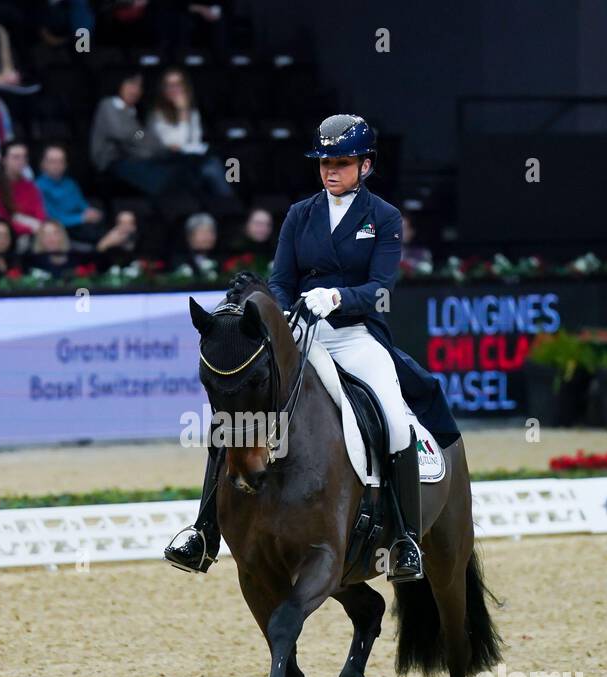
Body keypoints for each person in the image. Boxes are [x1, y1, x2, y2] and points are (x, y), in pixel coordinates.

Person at [165, 114, 461, 580]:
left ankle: (404, 538)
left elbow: (382, 286)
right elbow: (281, 279)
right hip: (303, 334)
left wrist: (339, 296)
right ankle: (204, 530)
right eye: (324, 162)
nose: (330, 171)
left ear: (365, 165)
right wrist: (283, 312)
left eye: (341, 162)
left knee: (395, 417)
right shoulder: (300, 213)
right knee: (239, 412)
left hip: (356, 335)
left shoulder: (383, 217)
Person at [89, 71, 189, 199]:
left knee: (181, 165)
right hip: (113, 161)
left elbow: (146, 138)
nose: (135, 90)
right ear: (120, 85)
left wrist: (143, 138)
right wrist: (140, 135)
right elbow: (122, 133)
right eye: (131, 84)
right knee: (159, 180)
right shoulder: (108, 105)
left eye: (139, 86)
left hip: (137, 157)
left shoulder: (133, 111)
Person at [147, 67, 234, 203]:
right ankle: (229, 203)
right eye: (169, 85)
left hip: (190, 160)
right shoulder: (157, 115)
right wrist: (182, 111)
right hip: (167, 162)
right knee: (211, 168)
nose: (174, 89)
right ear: (163, 90)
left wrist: (185, 112)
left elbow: (194, 142)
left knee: (230, 162)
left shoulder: (192, 112)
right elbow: (177, 143)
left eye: (178, 84)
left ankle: (228, 205)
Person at [34, 143, 103, 244]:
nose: (57, 165)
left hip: (81, 224)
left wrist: (90, 212)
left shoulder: (70, 183)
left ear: (65, 165)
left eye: (60, 161)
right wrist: (82, 218)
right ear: (43, 164)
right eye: (52, 161)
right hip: (60, 229)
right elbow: (51, 218)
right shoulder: (38, 187)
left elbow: (82, 204)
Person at [0, 140, 45, 252]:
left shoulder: (30, 186)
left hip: (35, 233)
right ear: (4, 160)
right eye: (16, 157)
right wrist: (29, 227)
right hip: (10, 237)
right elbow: (1, 218)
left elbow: (40, 215)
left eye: (24, 157)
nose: (21, 161)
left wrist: (32, 225)